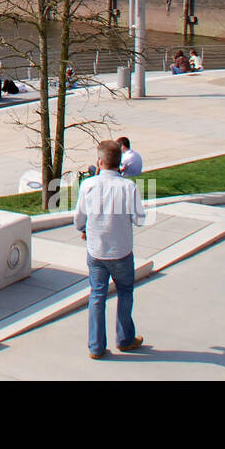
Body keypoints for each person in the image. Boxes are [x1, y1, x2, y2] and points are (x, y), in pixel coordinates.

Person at [75, 140, 146, 359]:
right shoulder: (128, 187)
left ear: (100, 161)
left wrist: (84, 228)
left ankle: (96, 346)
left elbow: (79, 218)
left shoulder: (88, 186)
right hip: (121, 251)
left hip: (96, 251)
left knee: (97, 295)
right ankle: (124, 339)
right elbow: (139, 219)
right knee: (125, 292)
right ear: (119, 162)